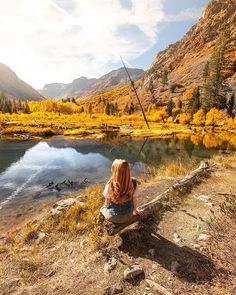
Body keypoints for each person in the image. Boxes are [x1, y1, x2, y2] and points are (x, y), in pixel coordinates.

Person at [100, 159, 144, 224]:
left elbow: (107, 203)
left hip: (113, 217)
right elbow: (135, 199)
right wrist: (136, 210)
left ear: (115, 171)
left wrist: (103, 208)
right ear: (127, 171)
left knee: (102, 209)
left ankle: (99, 226)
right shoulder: (134, 182)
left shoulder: (110, 184)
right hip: (129, 215)